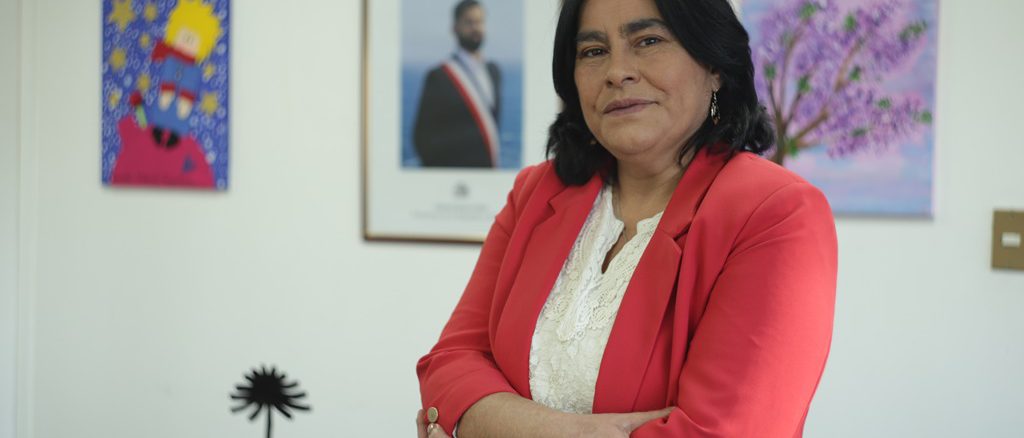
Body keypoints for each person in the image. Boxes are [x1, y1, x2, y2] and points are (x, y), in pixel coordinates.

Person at [416, 0, 838, 436]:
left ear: (714, 65)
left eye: (648, 41)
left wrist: (481, 423)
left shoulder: (776, 213)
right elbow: (449, 366)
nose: (617, 72)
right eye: (593, 51)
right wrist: (577, 433)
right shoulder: (537, 193)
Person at [412, 0, 503, 168]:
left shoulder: (494, 72)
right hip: (456, 174)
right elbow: (422, 138)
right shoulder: (439, 76)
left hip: (488, 174)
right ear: (455, 28)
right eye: (469, 22)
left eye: (480, 21)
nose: (476, 27)